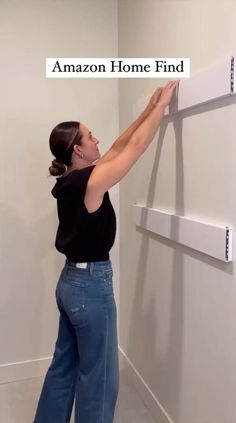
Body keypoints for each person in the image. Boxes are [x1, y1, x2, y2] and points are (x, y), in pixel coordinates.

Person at [33, 79, 179, 423]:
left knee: (64, 367)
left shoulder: (73, 179)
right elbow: (136, 148)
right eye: (89, 136)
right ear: (78, 150)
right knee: (98, 379)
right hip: (90, 288)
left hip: (69, 284)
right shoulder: (92, 182)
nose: (97, 140)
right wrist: (161, 107)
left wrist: (147, 109)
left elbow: (117, 146)